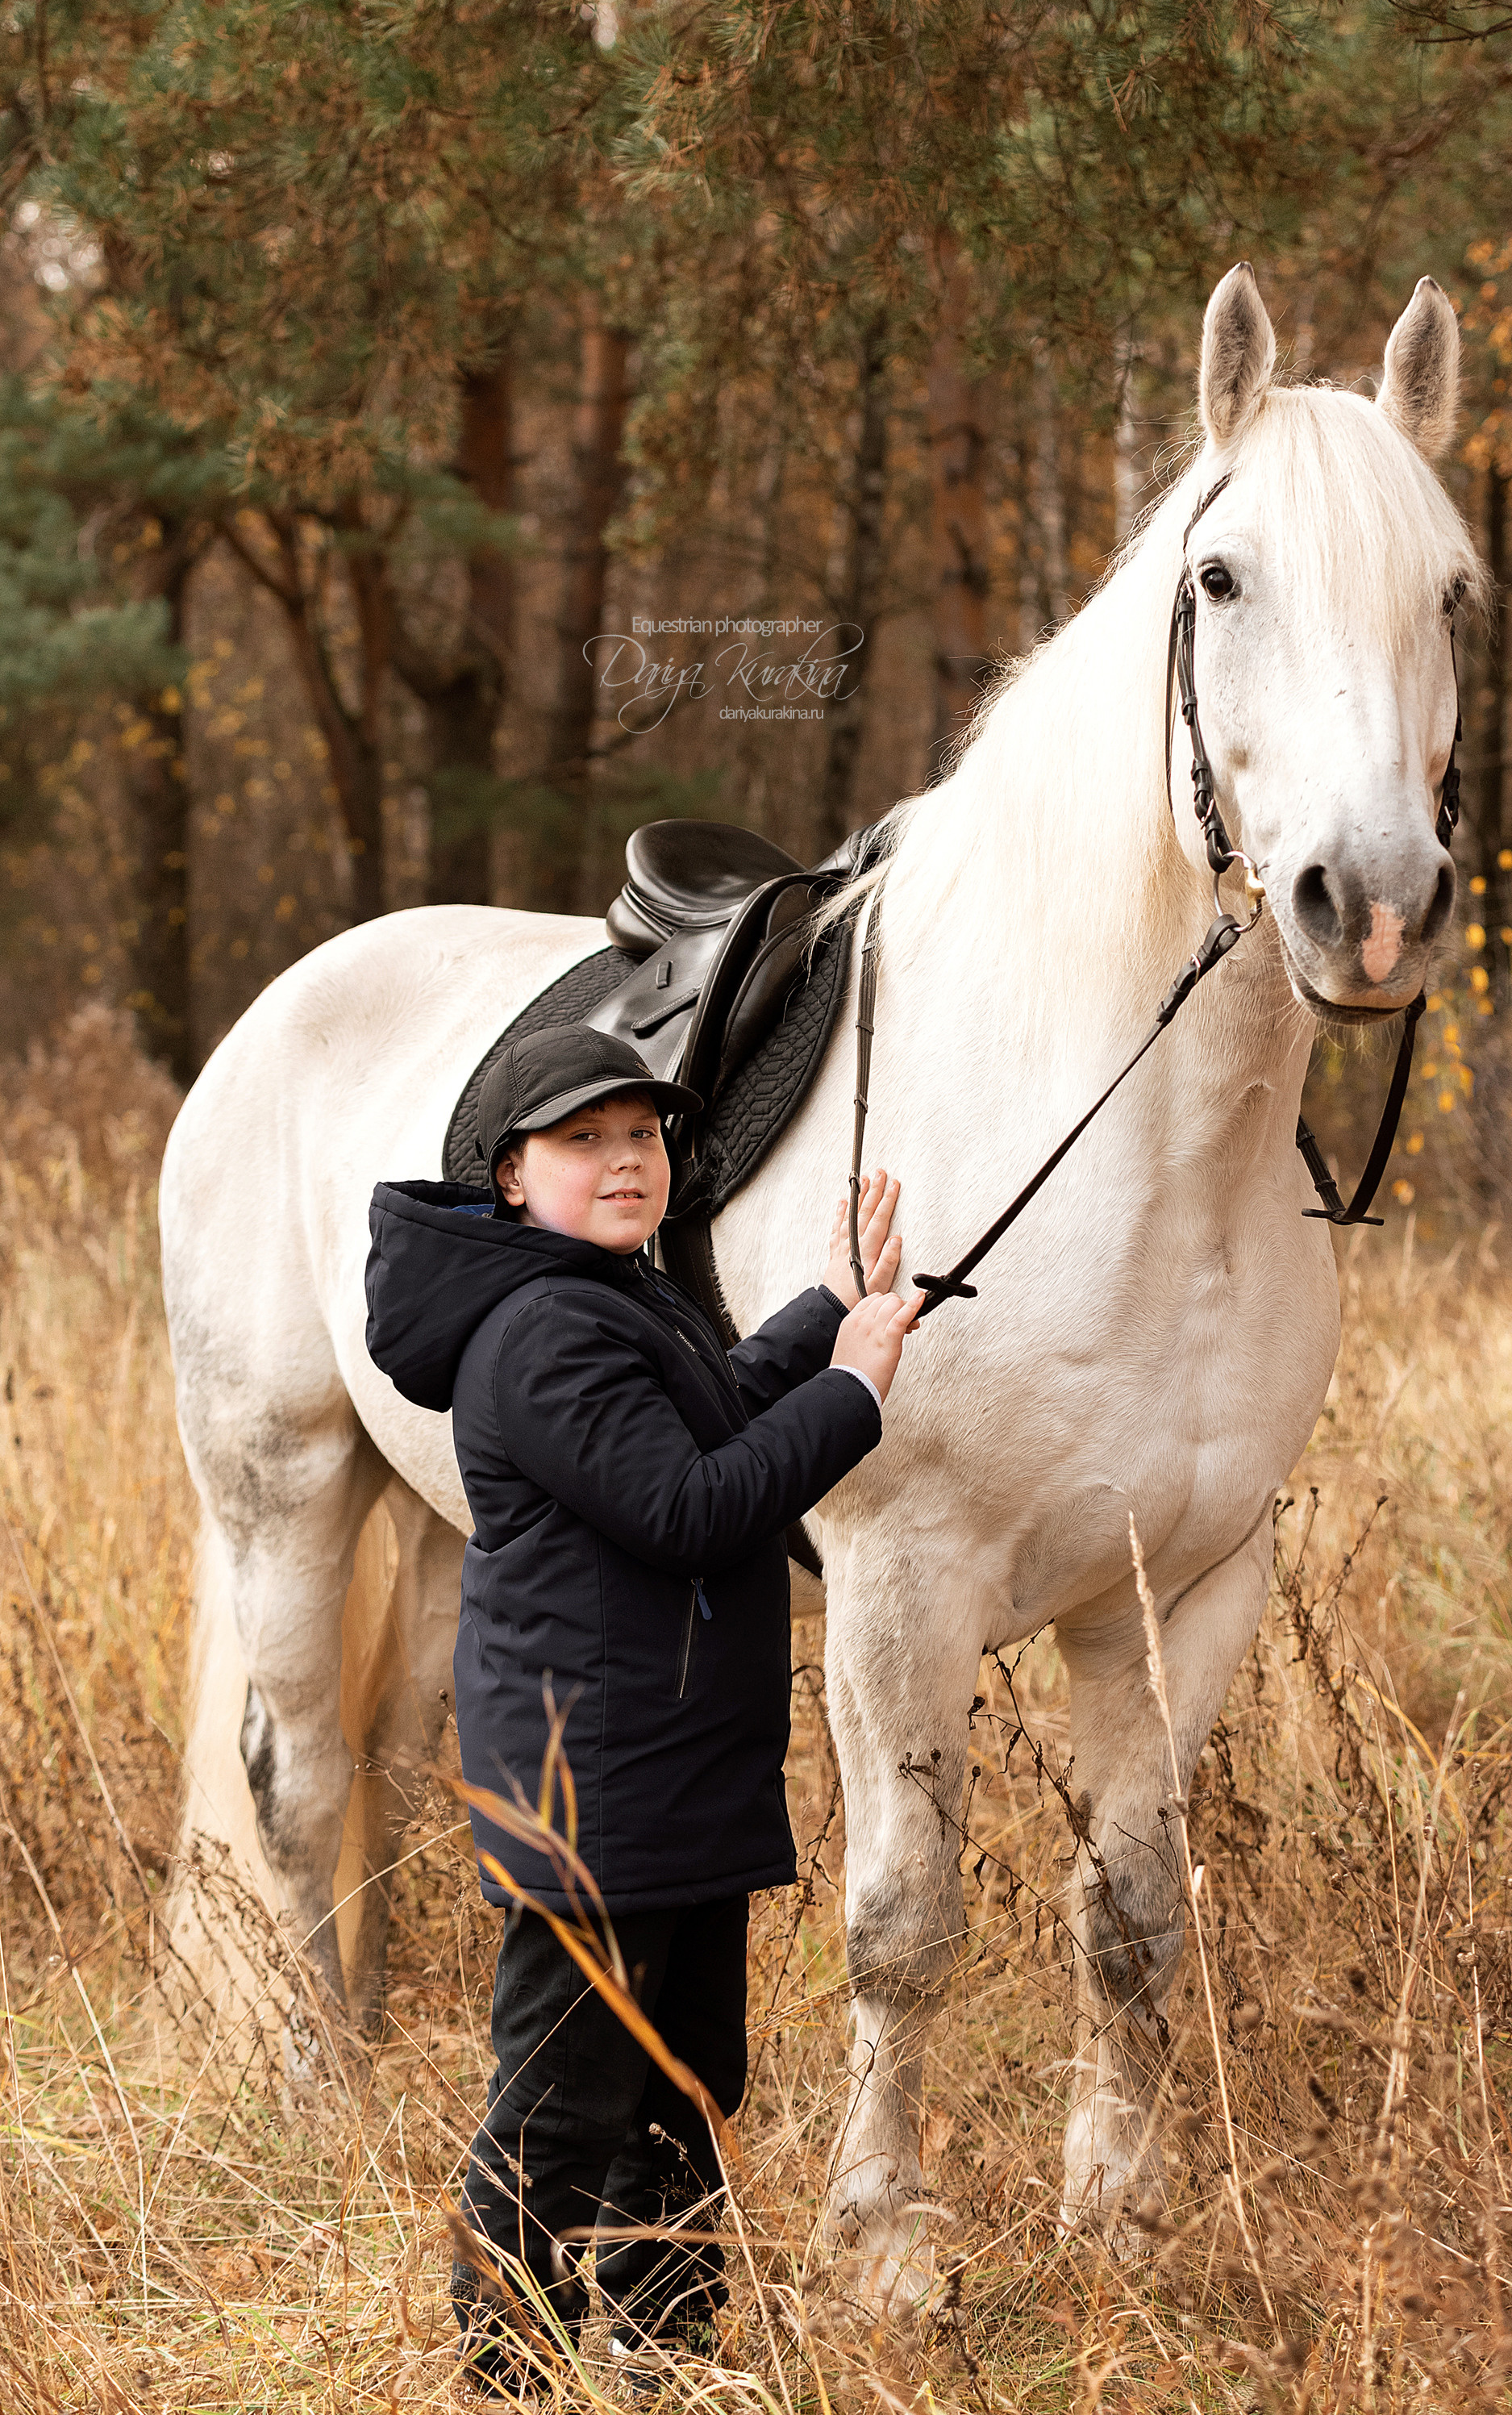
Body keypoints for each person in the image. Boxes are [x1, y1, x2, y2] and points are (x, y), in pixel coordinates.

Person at [364, 1023, 918, 2393]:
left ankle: (666, 2355)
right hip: (595, 1790)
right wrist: (855, 1388)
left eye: (642, 1134)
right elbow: (691, 1506)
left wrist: (822, 1311)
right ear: (511, 1175)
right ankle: (507, 2375)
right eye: (584, 1141)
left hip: (665, 1775)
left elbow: (709, 1412)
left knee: (683, 2088)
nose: (626, 1161)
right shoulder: (544, 1330)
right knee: (562, 2111)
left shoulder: (612, 1292)